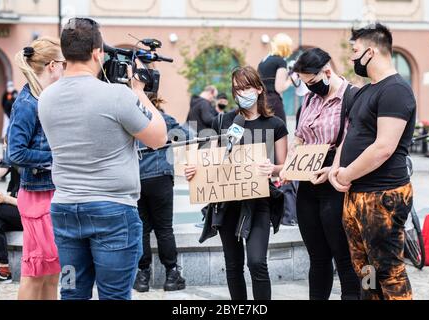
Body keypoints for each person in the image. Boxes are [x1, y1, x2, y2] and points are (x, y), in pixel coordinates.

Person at [38, 18, 167, 300]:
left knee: (71, 291)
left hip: (65, 212)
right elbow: (158, 138)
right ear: (98, 52)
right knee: (114, 295)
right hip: (113, 212)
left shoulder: (45, 98)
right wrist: (138, 93)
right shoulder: (117, 96)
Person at [329, 23, 417, 300]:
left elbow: (384, 148)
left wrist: (345, 175)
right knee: (365, 269)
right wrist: (335, 169)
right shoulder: (365, 91)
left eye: (355, 51)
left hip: (383, 196)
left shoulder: (396, 90)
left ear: (370, 51)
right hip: (355, 195)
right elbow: (351, 134)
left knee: (389, 271)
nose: (352, 58)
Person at [185, 66, 288, 300]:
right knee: (233, 266)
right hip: (227, 203)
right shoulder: (224, 121)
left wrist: (273, 169)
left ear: (259, 89)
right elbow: (211, 160)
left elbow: (286, 168)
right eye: (236, 88)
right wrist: (195, 171)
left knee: (257, 262)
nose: (241, 92)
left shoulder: (275, 124)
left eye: (246, 87)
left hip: (259, 201)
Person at [286, 48, 360, 300]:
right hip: (308, 179)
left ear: (327, 72)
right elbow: (299, 136)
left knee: (343, 255)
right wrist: (291, 162)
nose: (310, 88)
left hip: (336, 179)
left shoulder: (352, 97)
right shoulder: (309, 99)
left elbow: (351, 140)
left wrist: (333, 170)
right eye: (306, 84)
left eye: (313, 82)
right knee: (317, 256)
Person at [7, 37, 65, 300]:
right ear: (52, 65)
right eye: (64, 63)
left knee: (52, 272)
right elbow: (15, 152)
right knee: (35, 272)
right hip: (37, 196)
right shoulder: (28, 102)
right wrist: (57, 156)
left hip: (49, 192)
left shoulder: (44, 97)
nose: (66, 68)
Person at [133, 94, 190, 293]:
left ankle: (142, 276)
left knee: (142, 229)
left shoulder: (129, 116)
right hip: (160, 178)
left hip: (136, 179)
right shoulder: (161, 118)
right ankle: (171, 274)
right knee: (164, 228)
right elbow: (187, 136)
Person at [258, 33, 298, 124]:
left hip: (261, 102)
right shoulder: (280, 62)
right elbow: (279, 88)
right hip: (273, 103)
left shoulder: (263, 61)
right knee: (280, 133)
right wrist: (292, 79)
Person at [0, 159, 22, 284]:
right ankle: (3, 271)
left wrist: (5, 199)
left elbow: (33, 205)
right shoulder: (15, 166)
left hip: (31, 214)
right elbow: (4, 165)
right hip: (13, 211)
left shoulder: (35, 167)